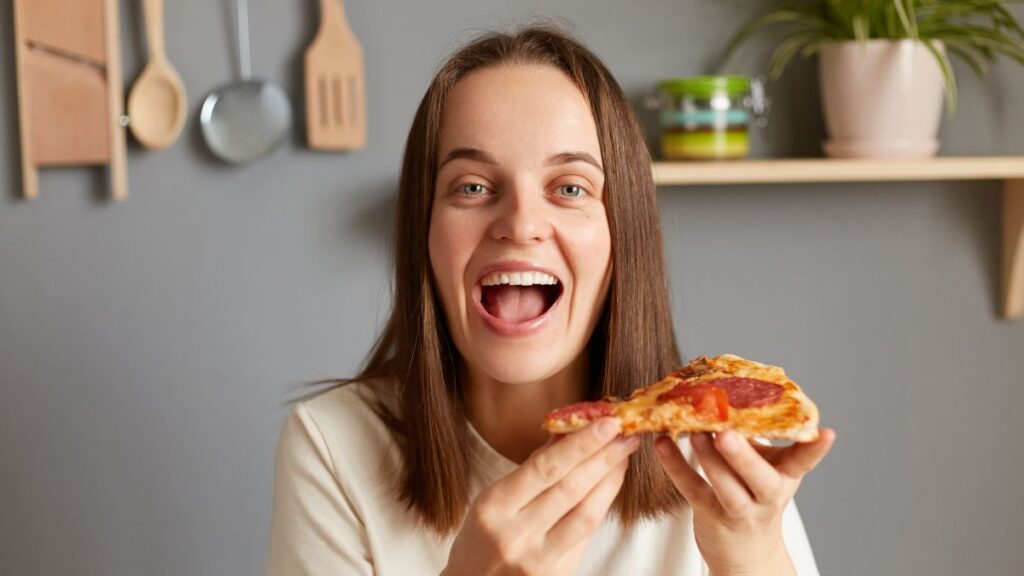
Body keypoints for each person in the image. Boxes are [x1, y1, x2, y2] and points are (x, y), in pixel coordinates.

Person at [267, 23, 835, 576]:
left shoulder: (720, 450)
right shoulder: (333, 444)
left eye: (569, 188)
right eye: (472, 187)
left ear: (623, 234)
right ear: (424, 231)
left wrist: (751, 556)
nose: (520, 223)